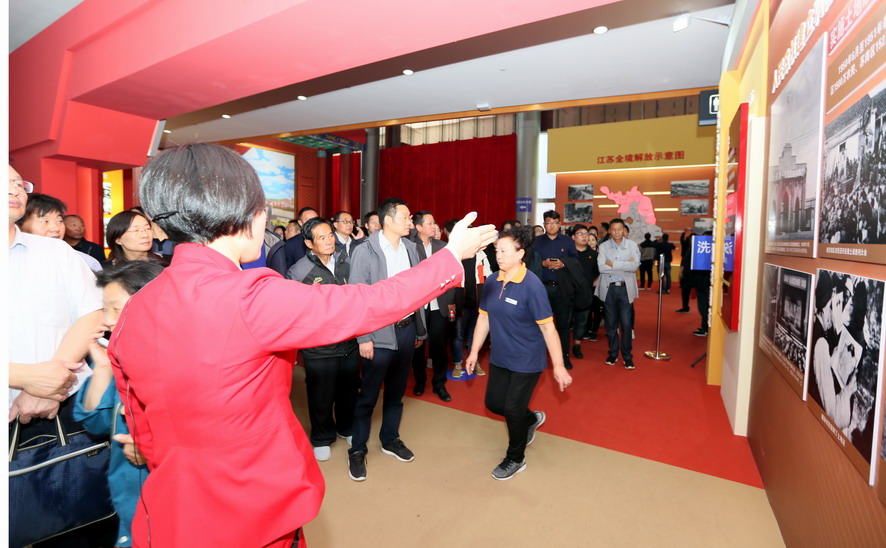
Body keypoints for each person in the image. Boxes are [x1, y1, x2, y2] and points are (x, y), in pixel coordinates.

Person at [109, 144, 496, 547]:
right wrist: (451, 256)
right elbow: (370, 303)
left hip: (172, 510)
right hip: (255, 510)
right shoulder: (251, 297)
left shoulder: (135, 308)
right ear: (244, 215)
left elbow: (141, 425)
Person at [9, 165, 111, 545]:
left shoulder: (55, 252)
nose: (14, 189)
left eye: (18, 182)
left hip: (62, 410)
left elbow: (92, 314)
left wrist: (51, 383)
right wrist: (23, 377)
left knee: (76, 514)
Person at [464, 228, 572, 481]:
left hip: (527, 358)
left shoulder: (532, 286)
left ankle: (515, 458)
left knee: (512, 408)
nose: (499, 256)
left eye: (504, 251)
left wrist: (558, 365)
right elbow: (484, 318)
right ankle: (530, 419)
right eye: (496, 251)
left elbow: (548, 328)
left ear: (520, 254)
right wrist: (474, 351)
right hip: (501, 356)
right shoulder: (492, 281)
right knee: (494, 404)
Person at [74, 261, 165, 548]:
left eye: (117, 309)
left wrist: (152, 446)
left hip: (168, 509)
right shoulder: (118, 358)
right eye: (105, 309)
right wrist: (102, 368)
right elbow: (94, 422)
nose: (108, 320)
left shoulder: (180, 363)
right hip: (130, 508)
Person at [347, 197, 431, 482]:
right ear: (388, 220)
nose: (411, 222)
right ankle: (357, 449)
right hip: (378, 333)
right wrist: (363, 337)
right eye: (406, 217)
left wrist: (419, 329)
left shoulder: (411, 248)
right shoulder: (365, 250)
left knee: (396, 392)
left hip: (406, 330)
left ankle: (390, 439)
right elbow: (357, 297)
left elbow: (418, 291)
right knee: (368, 396)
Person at [286, 218, 358, 462]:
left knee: (348, 391)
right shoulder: (299, 272)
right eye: (322, 237)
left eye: (330, 235)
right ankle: (321, 437)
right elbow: (293, 312)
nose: (329, 241)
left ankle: (346, 427)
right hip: (319, 347)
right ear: (309, 243)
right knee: (321, 396)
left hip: (349, 342)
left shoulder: (346, 261)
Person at [410, 210, 457, 401]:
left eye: (434, 222)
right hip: (419, 305)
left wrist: (451, 301)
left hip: (439, 304)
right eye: (429, 223)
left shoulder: (443, 247)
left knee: (439, 346)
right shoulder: (409, 246)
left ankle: (439, 384)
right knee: (418, 346)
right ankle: (420, 381)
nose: (434, 226)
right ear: (418, 227)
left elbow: (452, 275)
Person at [534, 210, 578, 369]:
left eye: (555, 222)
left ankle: (564, 356)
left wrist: (563, 263)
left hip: (561, 288)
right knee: (539, 324)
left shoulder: (567, 241)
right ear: (544, 224)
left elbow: (575, 259)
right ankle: (538, 356)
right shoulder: (537, 241)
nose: (551, 225)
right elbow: (529, 261)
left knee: (563, 325)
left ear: (560, 224)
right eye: (548, 222)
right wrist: (542, 264)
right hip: (541, 288)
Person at [17, 192, 103, 272]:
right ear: (18, 225)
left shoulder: (85, 262)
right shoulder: (12, 260)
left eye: (59, 221)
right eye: (45, 221)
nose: (56, 229)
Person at [596, 218, 640, 370]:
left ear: (624, 230)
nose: (616, 232)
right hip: (609, 289)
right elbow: (601, 268)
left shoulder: (632, 245)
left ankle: (627, 356)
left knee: (626, 324)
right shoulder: (603, 246)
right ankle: (613, 353)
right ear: (609, 231)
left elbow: (634, 267)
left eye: (619, 229)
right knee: (610, 324)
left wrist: (613, 264)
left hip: (625, 289)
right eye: (613, 229)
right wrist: (625, 265)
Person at [570, 224, 599, 358]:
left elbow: (597, 273)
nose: (584, 237)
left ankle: (577, 345)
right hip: (568, 293)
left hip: (585, 293)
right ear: (573, 237)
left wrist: (590, 285)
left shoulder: (593, 255)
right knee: (566, 321)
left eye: (586, 234)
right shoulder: (568, 254)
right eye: (580, 234)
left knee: (582, 321)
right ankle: (563, 347)